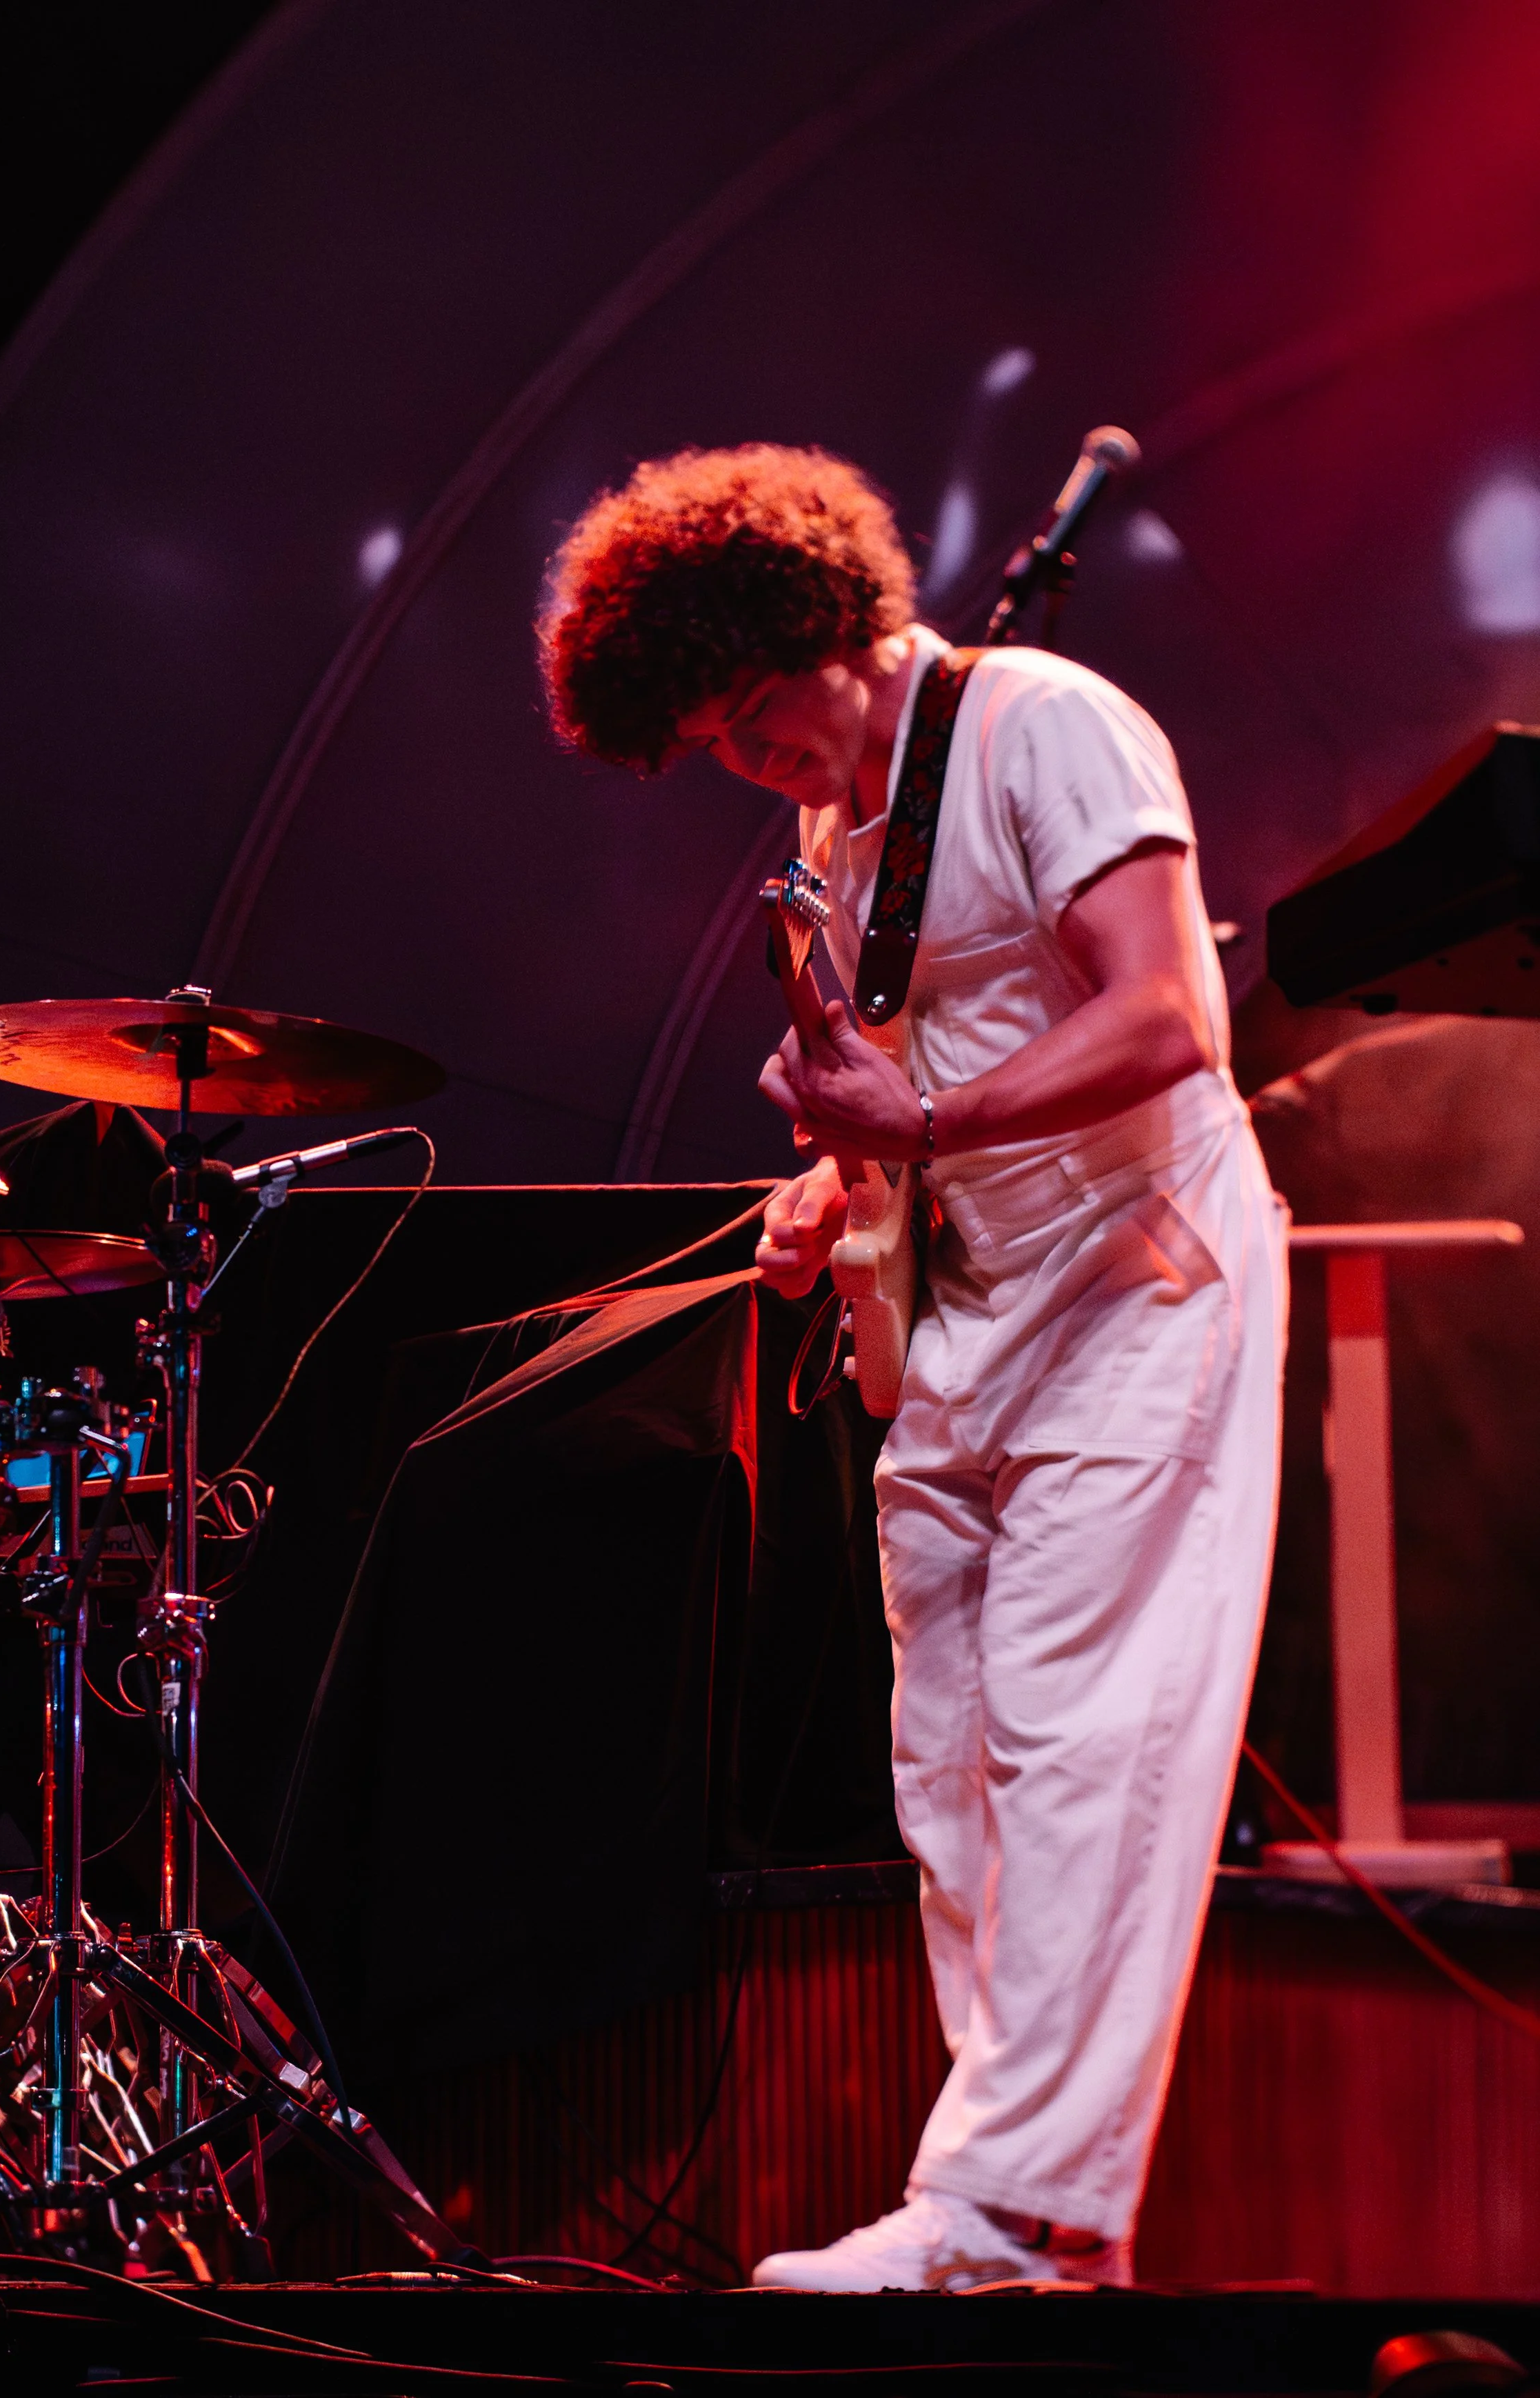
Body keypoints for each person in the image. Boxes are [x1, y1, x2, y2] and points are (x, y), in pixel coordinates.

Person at [539, 444, 1286, 2290]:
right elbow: (928, 1078)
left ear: (833, 620)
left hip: (1138, 1286)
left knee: (1075, 1733)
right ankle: (1032, 2217)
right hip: (973, 1317)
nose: (752, 754)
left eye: (758, 707)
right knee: (951, 1759)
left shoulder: (1046, 723)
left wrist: (922, 1115)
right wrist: (837, 1187)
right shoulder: (841, 826)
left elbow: (1162, 1016)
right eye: (713, 736)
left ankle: (1006, 2213)